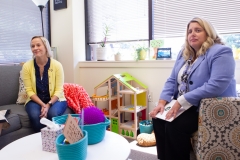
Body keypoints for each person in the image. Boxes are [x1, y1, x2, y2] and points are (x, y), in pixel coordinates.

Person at [149, 17, 236, 160]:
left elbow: (217, 84)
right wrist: (161, 102)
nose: (192, 34)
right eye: (189, 31)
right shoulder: (184, 53)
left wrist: (181, 101)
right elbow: (172, 80)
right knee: (158, 119)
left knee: (174, 126)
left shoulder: (220, 52)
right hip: (184, 105)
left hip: (205, 107)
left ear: (208, 33)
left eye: (198, 30)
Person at [22, 36, 67, 132]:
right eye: (32, 46)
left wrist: (48, 105)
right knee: (35, 115)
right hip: (35, 100)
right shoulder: (27, 66)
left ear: (46, 46)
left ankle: (55, 141)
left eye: (38, 45)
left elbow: (59, 90)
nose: (35, 48)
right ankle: (41, 141)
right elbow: (29, 90)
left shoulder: (57, 65)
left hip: (56, 99)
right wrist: (43, 105)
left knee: (53, 114)